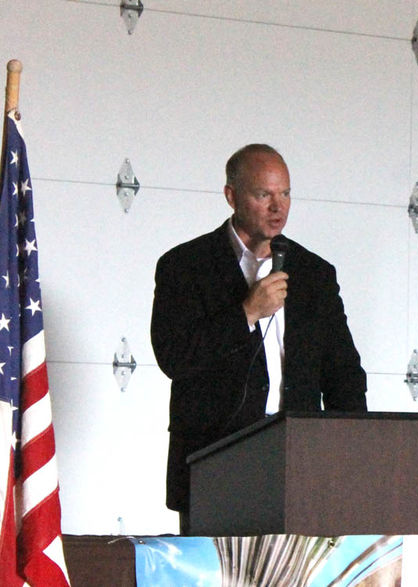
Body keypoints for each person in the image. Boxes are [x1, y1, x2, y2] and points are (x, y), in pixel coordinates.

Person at [151, 144, 367, 534]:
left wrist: (348, 461)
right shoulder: (184, 266)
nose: (277, 207)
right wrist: (246, 312)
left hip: (300, 467)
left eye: (285, 194)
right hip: (215, 467)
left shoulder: (315, 274)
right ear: (231, 196)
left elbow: (344, 375)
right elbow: (174, 357)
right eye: (263, 194)